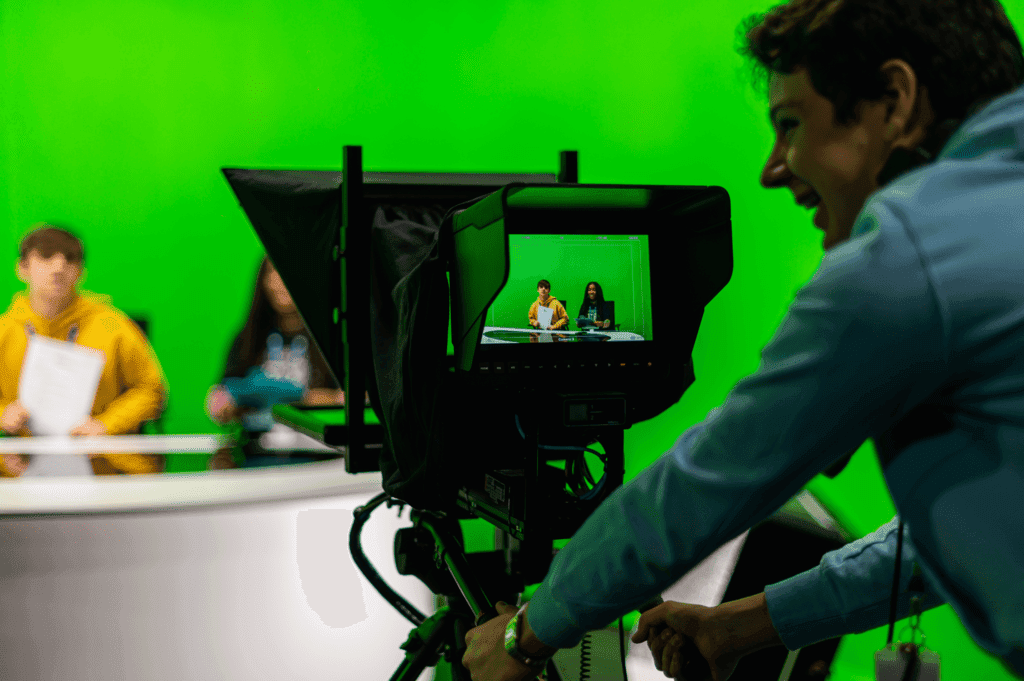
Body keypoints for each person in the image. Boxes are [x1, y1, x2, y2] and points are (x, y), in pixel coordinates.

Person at [462, 0, 1024, 679]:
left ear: (895, 100)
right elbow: (976, 536)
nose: (774, 167)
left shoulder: (914, 251)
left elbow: (704, 487)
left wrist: (528, 632)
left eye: (790, 126)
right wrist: (746, 625)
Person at [0, 225, 168, 477]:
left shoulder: (114, 326)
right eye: (46, 256)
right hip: (21, 466)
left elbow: (152, 389)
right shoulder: (4, 330)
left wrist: (105, 424)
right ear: (22, 268)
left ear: (80, 271)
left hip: (102, 465)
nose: (59, 267)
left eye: (70, 259)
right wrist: (3, 414)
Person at [205, 256, 344, 469]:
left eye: (287, 272)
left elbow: (358, 401)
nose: (280, 281)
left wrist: (302, 398)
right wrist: (228, 403)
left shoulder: (334, 339)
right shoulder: (247, 339)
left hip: (320, 463)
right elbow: (217, 402)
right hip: (255, 459)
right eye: (272, 273)